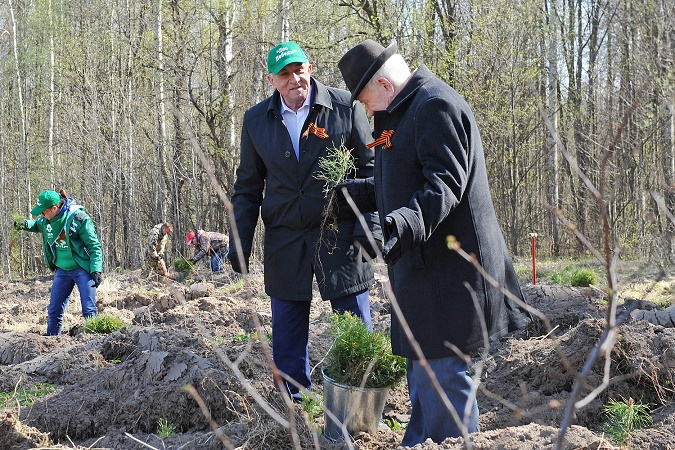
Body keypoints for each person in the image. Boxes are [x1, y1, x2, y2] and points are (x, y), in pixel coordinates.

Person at [336, 40, 532, 445]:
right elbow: (400, 177)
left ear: (385, 87)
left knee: (442, 377)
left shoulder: (434, 106)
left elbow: (443, 186)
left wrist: (396, 225)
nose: (366, 110)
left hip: (452, 276)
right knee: (423, 374)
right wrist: (353, 194)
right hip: (424, 273)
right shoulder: (401, 113)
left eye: (365, 99)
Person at [228, 41, 382, 402]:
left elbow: (372, 170)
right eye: (284, 74)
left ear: (310, 67)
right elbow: (248, 188)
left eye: (299, 69)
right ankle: (296, 410)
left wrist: (368, 228)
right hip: (285, 239)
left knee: (355, 327)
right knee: (286, 336)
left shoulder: (345, 106)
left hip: (339, 234)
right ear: (271, 80)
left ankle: (361, 405)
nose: (294, 78)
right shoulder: (255, 121)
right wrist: (240, 244)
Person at [14, 189, 103, 336]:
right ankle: (52, 343)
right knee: (54, 311)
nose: (42, 215)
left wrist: (96, 269)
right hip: (62, 270)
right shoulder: (46, 221)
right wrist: (24, 224)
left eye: (43, 212)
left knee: (89, 309)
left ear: (54, 208)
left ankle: (94, 342)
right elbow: (37, 225)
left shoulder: (78, 219)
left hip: (82, 268)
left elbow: (94, 246)